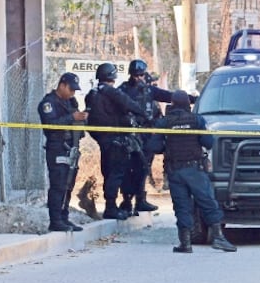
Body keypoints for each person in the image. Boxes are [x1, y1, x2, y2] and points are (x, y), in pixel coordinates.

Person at [146, 90, 236, 253]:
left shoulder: (164, 122)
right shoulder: (197, 120)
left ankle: (185, 243)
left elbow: (154, 147)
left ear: (171, 104)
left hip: (175, 171)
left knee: (182, 207)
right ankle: (218, 238)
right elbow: (208, 142)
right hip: (195, 170)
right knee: (208, 203)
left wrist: (169, 145)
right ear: (188, 104)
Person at [85, 63, 147, 221]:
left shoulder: (91, 93)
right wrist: (144, 114)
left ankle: (118, 204)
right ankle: (112, 207)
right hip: (116, 138)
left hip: (103, 139)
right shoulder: (112, 92)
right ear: (112, 76)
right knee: (120, 172)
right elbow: (130, 104)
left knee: (109, 172)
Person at [116, 59, 175, 216]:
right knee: (128, 169)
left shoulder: (149, 91)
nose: (139, 78)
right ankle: (127, 201)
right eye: (136, 75)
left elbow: (169, 97)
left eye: (141, 75)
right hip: (128, 135)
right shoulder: (122, 91)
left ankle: (140, 200)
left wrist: (190, 98)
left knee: (143, 168)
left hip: (146, 136)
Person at [37, 72, 88, 232]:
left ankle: (64, 218)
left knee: (68, 185)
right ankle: (56, 220)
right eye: (71, 89)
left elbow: (77, 119)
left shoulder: (70, 102)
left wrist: (81, 117)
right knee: (58, 185)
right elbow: (51, 124)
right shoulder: (48, 103)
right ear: (62, 85)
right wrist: (71, 117)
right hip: (57, 147)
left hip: (71, 147)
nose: (72, 93)